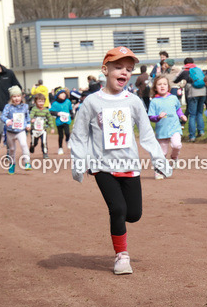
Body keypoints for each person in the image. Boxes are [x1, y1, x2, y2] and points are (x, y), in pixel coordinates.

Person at [69, 46, 172, 275]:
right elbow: (79, 135)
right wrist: (79, 163)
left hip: (129, 166)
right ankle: (121, 256)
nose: (124, 72)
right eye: (118, 67)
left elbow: (146, 133)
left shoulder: (134, 101)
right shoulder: (91, 102)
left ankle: (120, 233)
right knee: (117, 209)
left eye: (129, 69)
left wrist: (159, 159)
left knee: (133, 214)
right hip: (102, 166)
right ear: (105, 70)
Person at [147, 75, 186, 172]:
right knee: (162, 153)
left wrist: (181, 115)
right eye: (159, 84)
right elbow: (151, 117)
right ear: (155, 88)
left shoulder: (173, 98)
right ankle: (160, 170)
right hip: (162, 130)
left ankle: (174, 158)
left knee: (177, 145)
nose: (162, 86)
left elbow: (178, 109)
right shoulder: (154, 102)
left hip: (175, 127)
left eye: (164, 84)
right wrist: (158, 117)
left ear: (168, 87)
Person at [174, 57, 207, 141]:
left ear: (185, 64)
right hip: (203, 91)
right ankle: (201, 131)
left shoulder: (185, 71)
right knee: (200, 112)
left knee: (192, 115)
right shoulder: (198, 69)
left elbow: (175, 80)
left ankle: (192, 136)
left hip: (193, 93)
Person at [0, 86, 30, 173]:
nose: (17, 98)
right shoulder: (8, 106)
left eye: (18, 96)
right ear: (11, 97)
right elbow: (2, 116)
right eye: (14, 96)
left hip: (21, 131)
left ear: (21, 96)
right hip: (10, 132)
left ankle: (27, 162)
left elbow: (27, 116)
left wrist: (28, 124)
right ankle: (12, 164)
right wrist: (7, 120)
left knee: (24, 145)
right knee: (12, 149)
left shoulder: (25, 106)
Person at [29, 93, 53, 160]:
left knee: (44, 142)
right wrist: (31, 119)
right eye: (39, 101)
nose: (41, 103)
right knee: (35, 142)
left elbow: (50, 119)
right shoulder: (34, 109)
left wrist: (52, 127)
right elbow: (31, 115)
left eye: (42, 101)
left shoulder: (46, 110)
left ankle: (45, 153)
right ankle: (32, 146)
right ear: (36, 101)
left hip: (43, 129)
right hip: (35, 130)